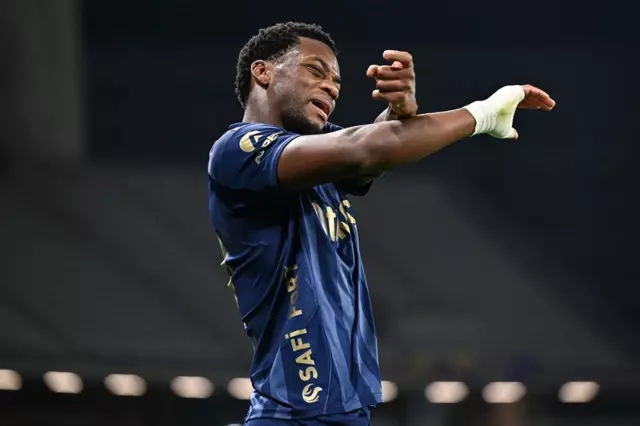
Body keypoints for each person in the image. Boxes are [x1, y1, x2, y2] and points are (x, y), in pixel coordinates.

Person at [207, 22, 555, 426]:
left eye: (336, 83)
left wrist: (398, 113)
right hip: (296, 413)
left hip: (337, 412)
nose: (331, 88)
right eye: (316, 71)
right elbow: (367, 149)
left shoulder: (314, 163)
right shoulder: (239, 151)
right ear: (263, 71)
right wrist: (482, 114)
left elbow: (372, 147)